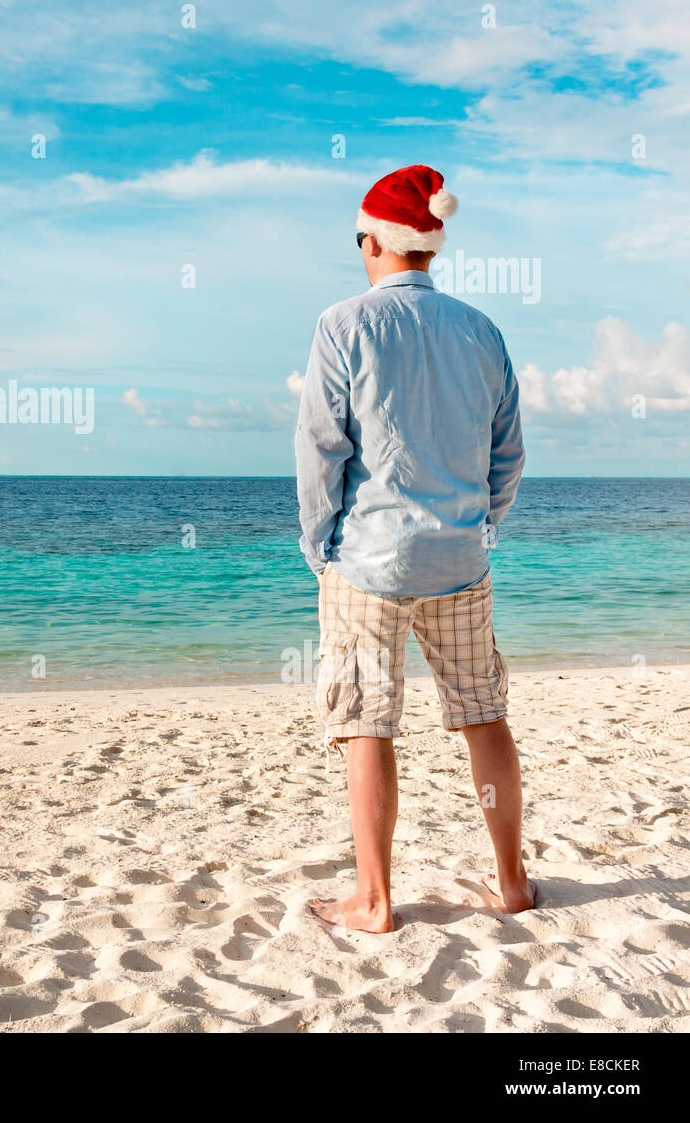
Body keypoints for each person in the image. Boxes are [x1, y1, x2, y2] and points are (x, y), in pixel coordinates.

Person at [294, 164, 531, 933]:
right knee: (483, 716)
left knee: (367, 722)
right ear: (429, 249)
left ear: (373, 242)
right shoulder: (481, 330)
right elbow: (508, 455)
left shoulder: (342, 324)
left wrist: (319, 545)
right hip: (461, 559)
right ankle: (512, 881)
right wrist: (480, 526)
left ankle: (374, 898)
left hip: (370, 561)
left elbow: (321, 452)